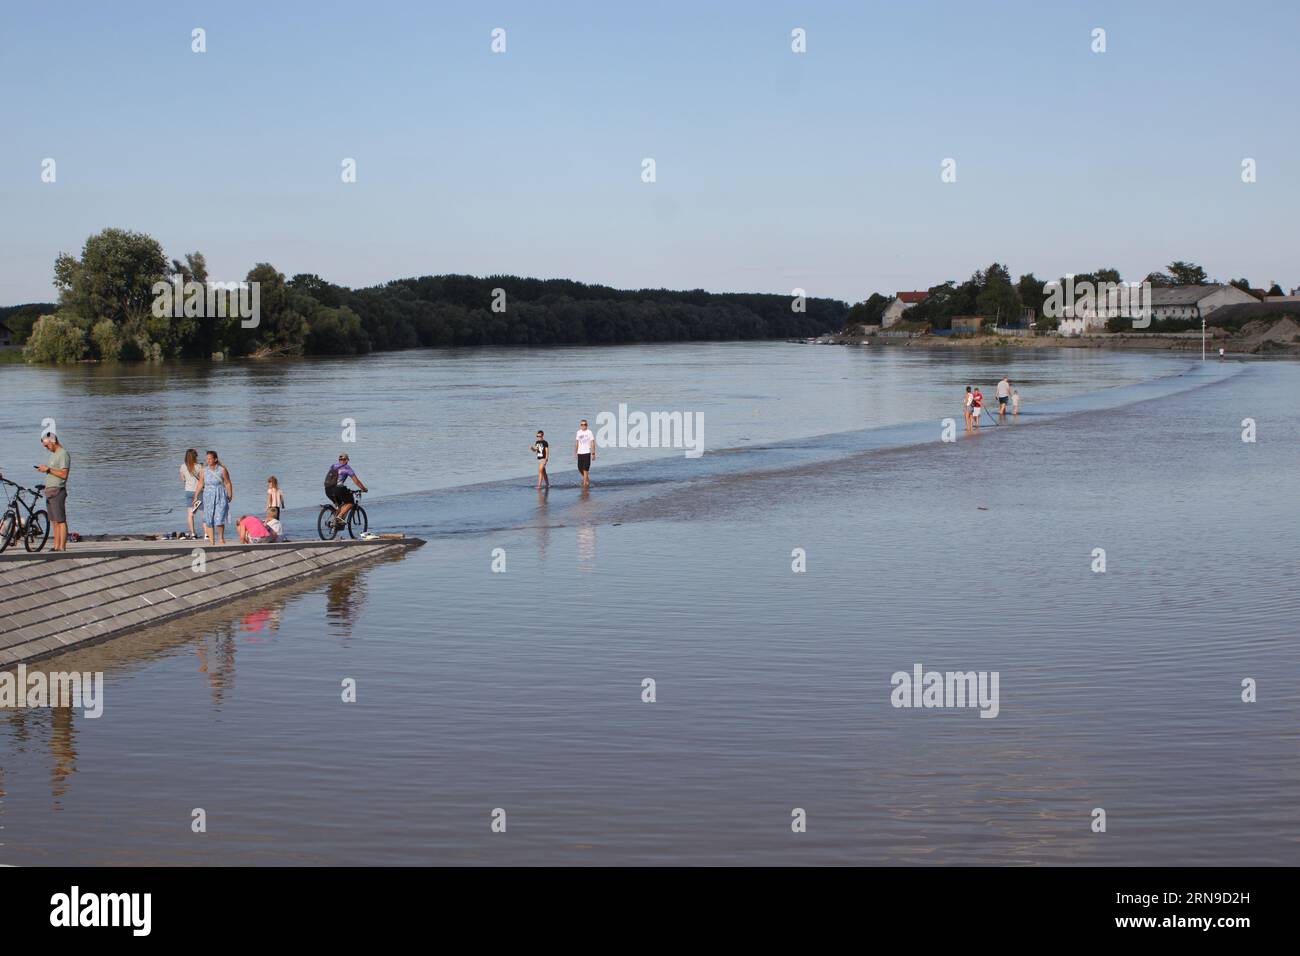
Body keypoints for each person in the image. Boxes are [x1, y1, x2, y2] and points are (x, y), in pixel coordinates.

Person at [36, 433, 71, 552]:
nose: (46, 448)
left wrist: (48, 469)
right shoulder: (53, 455)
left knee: (60, 520)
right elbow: (53, 472)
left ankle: (62, 547)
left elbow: (64, 474)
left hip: (57, 491)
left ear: (53, 441)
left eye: (46, 445)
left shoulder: (63, 454)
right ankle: (56, 546)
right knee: (54, 520)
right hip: (49, 491)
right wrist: (45, 471)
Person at [193, 450, 233, 545]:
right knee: (208, 518)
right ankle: (212, 541)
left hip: (220, 495)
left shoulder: (222, 470)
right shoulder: (204, 470)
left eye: (210, 458)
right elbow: (200, 483)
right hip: (208, 496)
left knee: (219, 518)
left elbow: (227, 482)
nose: (208, 460)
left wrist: (230, 494)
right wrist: (196, 496)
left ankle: (221, 538)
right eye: (207, 459)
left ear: (215, 459)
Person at [325, 453, 367, 526]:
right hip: (338, 489)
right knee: (351, 502)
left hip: (328, 489)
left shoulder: (333, 466)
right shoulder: (347, 468)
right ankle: (339, 516)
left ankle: (335, 523)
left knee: (339, 505)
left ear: (339, 460)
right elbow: (356, 481)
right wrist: (364, 489)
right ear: (347, 460)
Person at [180, 448, 201, 539]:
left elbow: (183, 479)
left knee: (190, 513)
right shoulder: (200, 467)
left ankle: (193, 533)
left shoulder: (183, 467)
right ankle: (206, 534)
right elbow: (203, 480)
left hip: (188, 491)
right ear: (195, 456)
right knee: (204, 512)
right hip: (199, 492)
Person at [574, 419, 596, 488]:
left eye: (585, 424)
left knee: (585, 469)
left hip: (587, 452)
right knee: (580, 468)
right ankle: (587, 480)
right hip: (580, 453)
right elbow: (577, 443)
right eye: (582, 424)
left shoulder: (589, 432)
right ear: (580, 426)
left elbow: (592, 443)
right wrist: (575, 452)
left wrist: (593, 453)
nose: (583, 426)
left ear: (587, 425)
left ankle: (584, 484)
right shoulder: (578, 432)